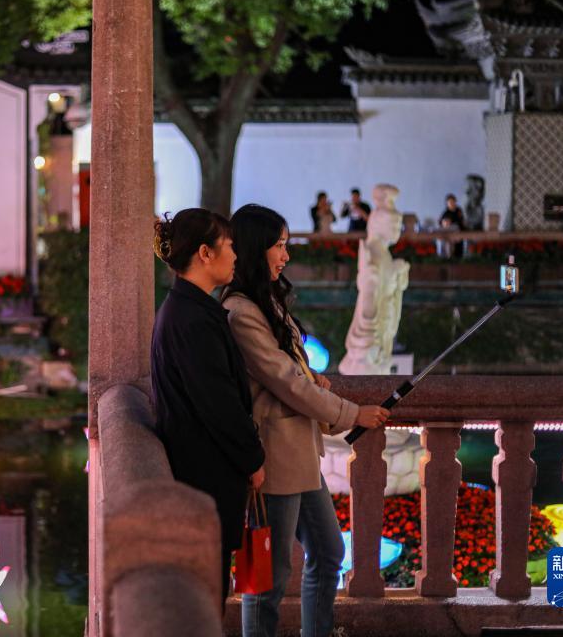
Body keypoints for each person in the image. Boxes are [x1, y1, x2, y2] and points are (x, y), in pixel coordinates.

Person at [221, 204, 390, 637]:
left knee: (329, 551)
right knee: (268, 576)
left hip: (298, 454)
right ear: (256, 248)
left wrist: (312, 376)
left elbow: (292, 372)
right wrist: (352, 414)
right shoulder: (241, 312)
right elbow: (286, 383)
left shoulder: (265, 302)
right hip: (274, 458)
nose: (286, 255)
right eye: (279, 245)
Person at [150, 208, 266, 603]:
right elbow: (218, 403)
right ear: (205, 253)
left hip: (200, 473)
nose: (235, 255)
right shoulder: (192, 318)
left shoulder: (186, 308)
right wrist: (252, 459)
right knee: (206, 594)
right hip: (204, 477)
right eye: (229, 246)